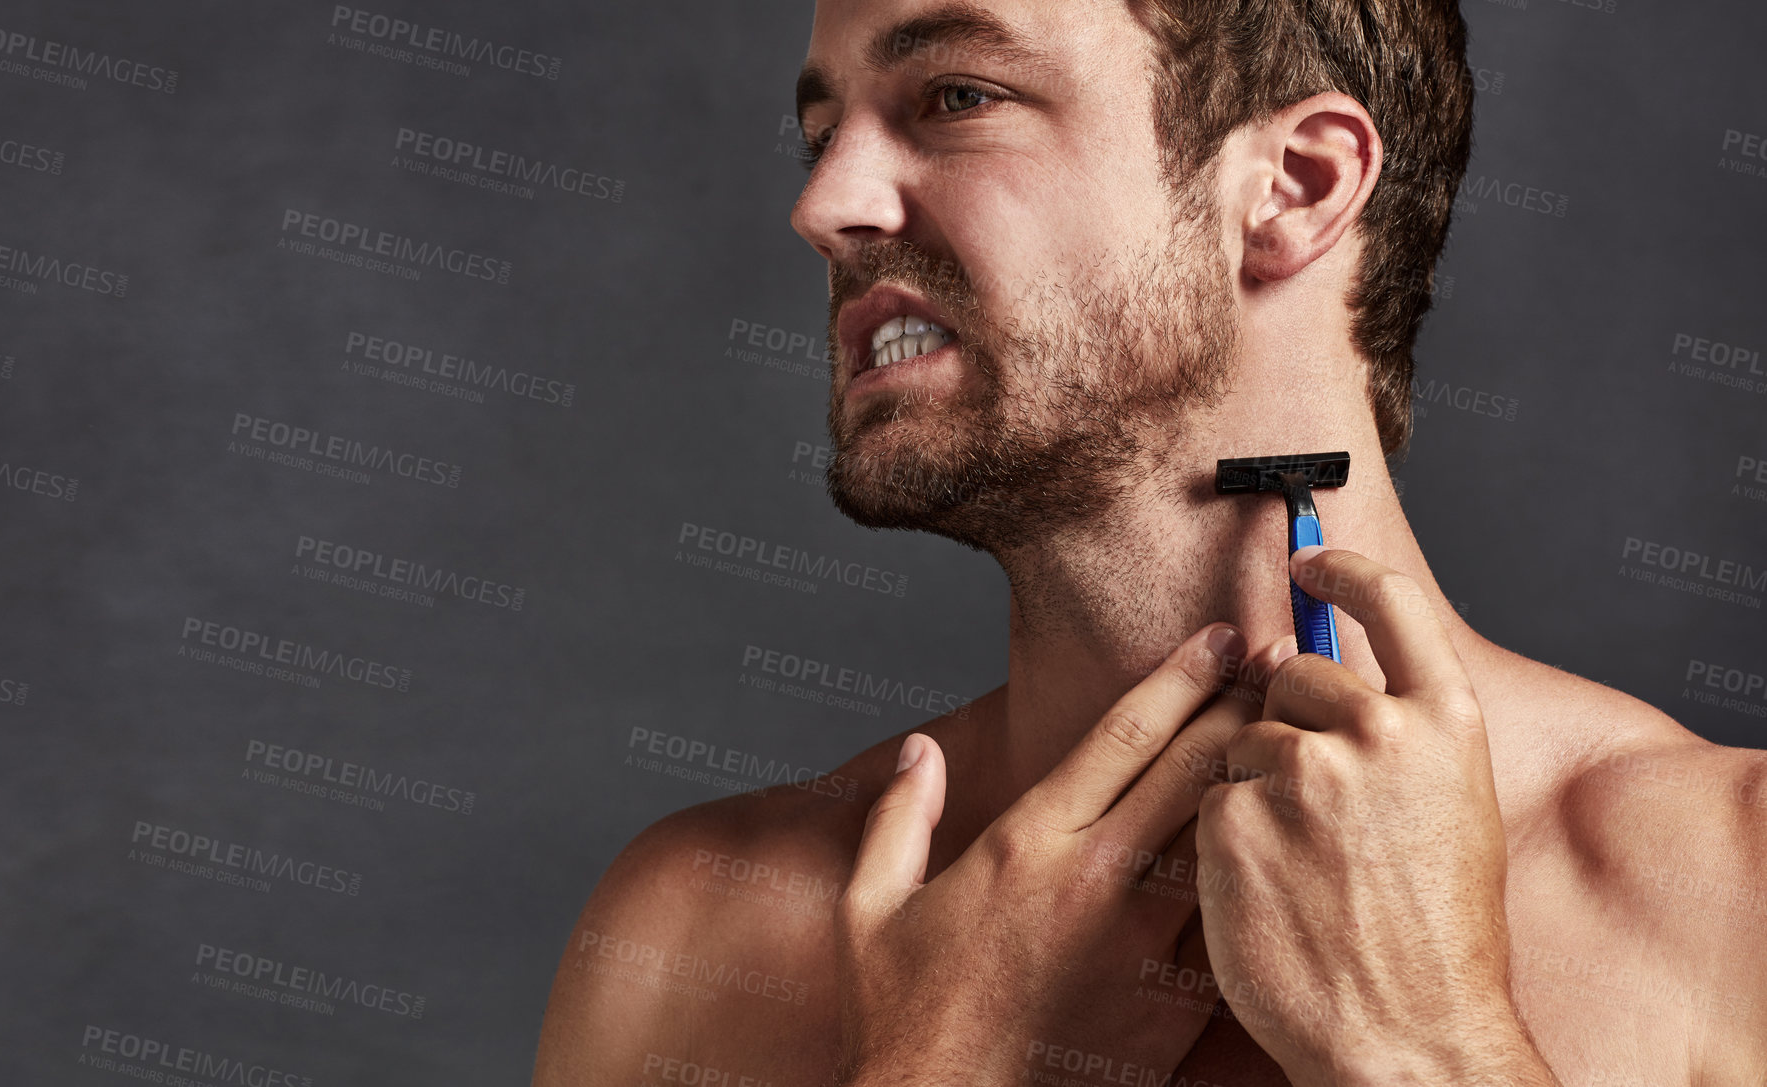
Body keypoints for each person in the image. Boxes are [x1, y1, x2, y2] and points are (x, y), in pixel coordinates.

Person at [534, 1, 1767, 1083]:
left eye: (958, 96)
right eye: (820, 136)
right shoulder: (695, 935)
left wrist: (1425, 1046)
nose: (824, 205)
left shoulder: (1732, 889)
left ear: (1296, 185)